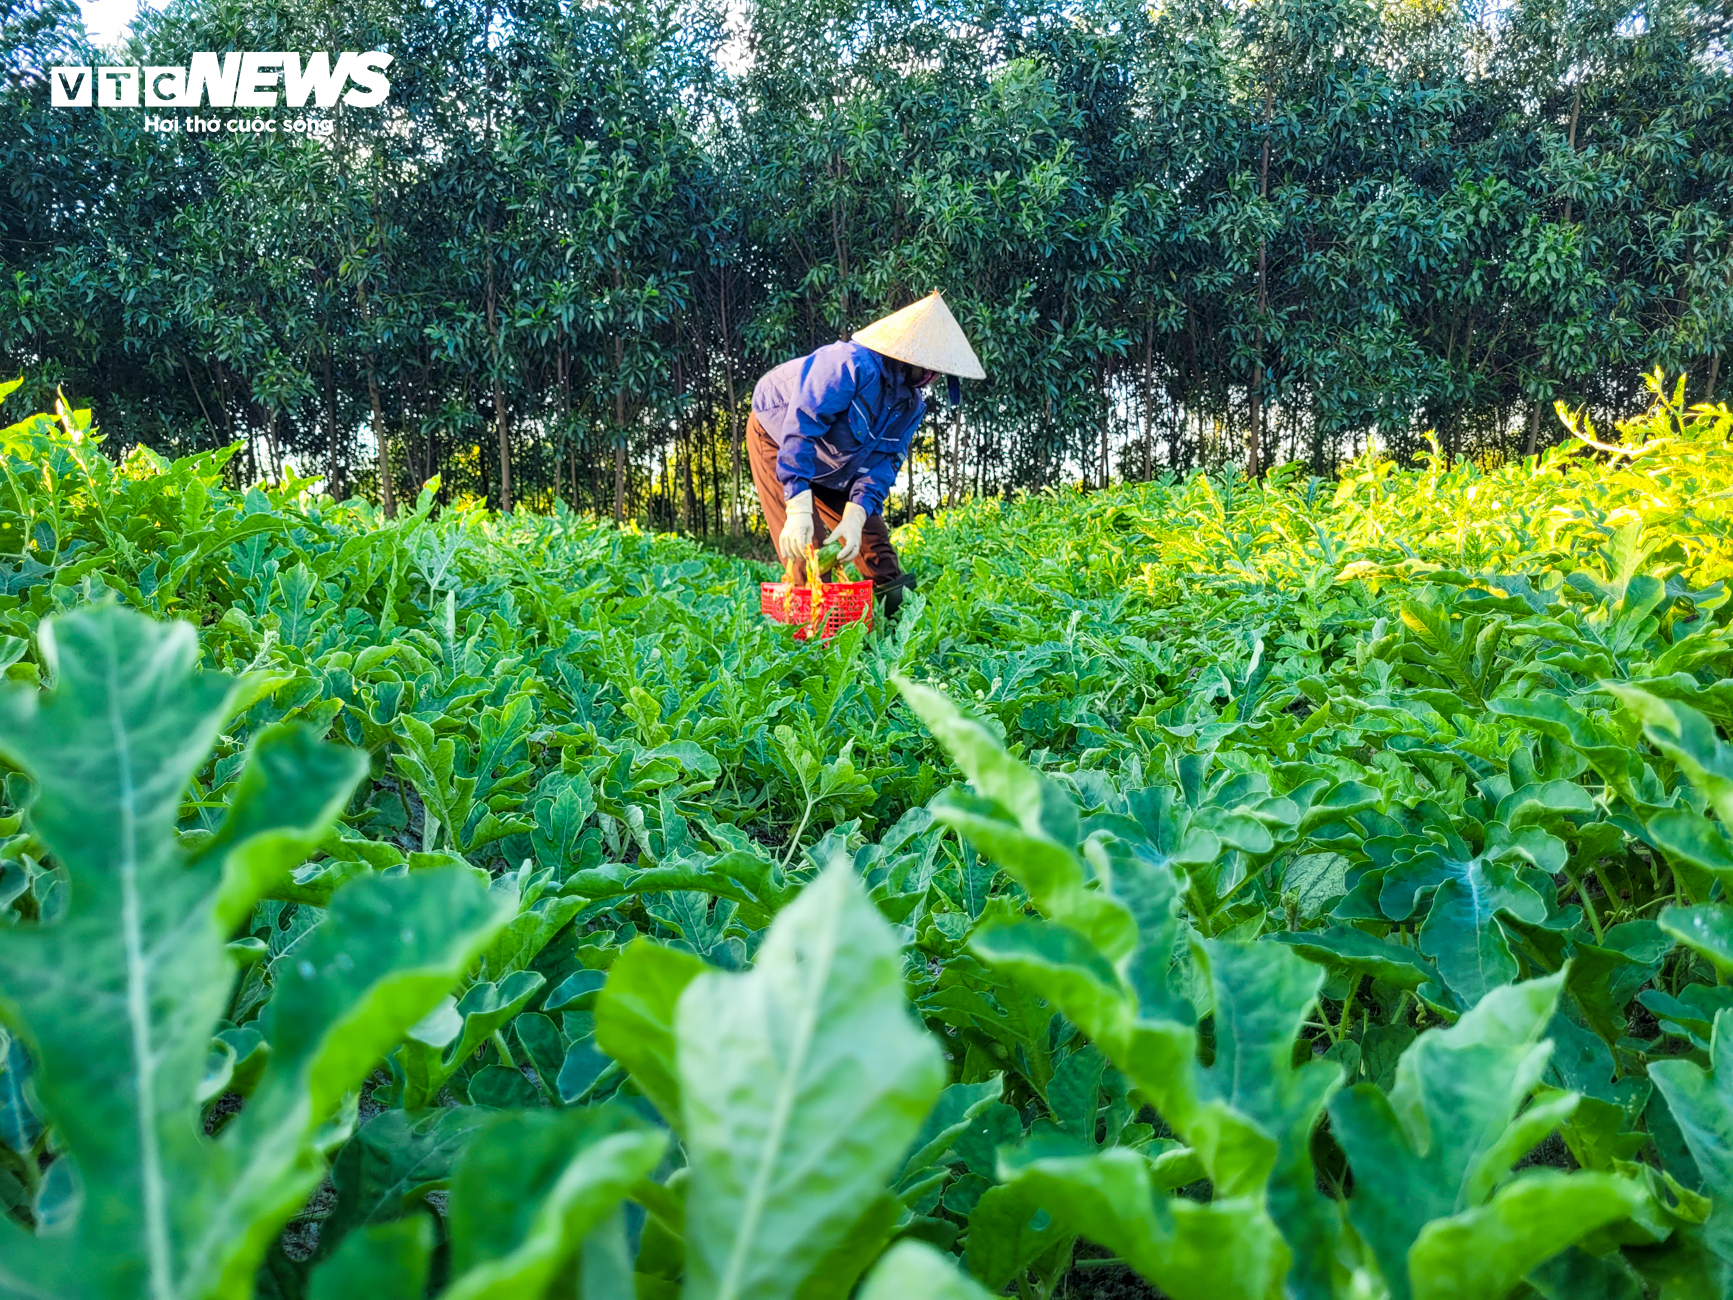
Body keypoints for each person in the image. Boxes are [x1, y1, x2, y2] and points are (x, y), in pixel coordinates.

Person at [746, 291, 985, 615]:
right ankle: (811, 645)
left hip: (837, 462)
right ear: (910, 354)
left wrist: (856, 515)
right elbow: (803, 423)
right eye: (931, 367)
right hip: (778, 437)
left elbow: (885, 462)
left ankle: (901, 627)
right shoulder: (847, 364)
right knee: (809, 548)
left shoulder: (910, 404)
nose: (933, 377)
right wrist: (799, 505)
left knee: (875, 546)